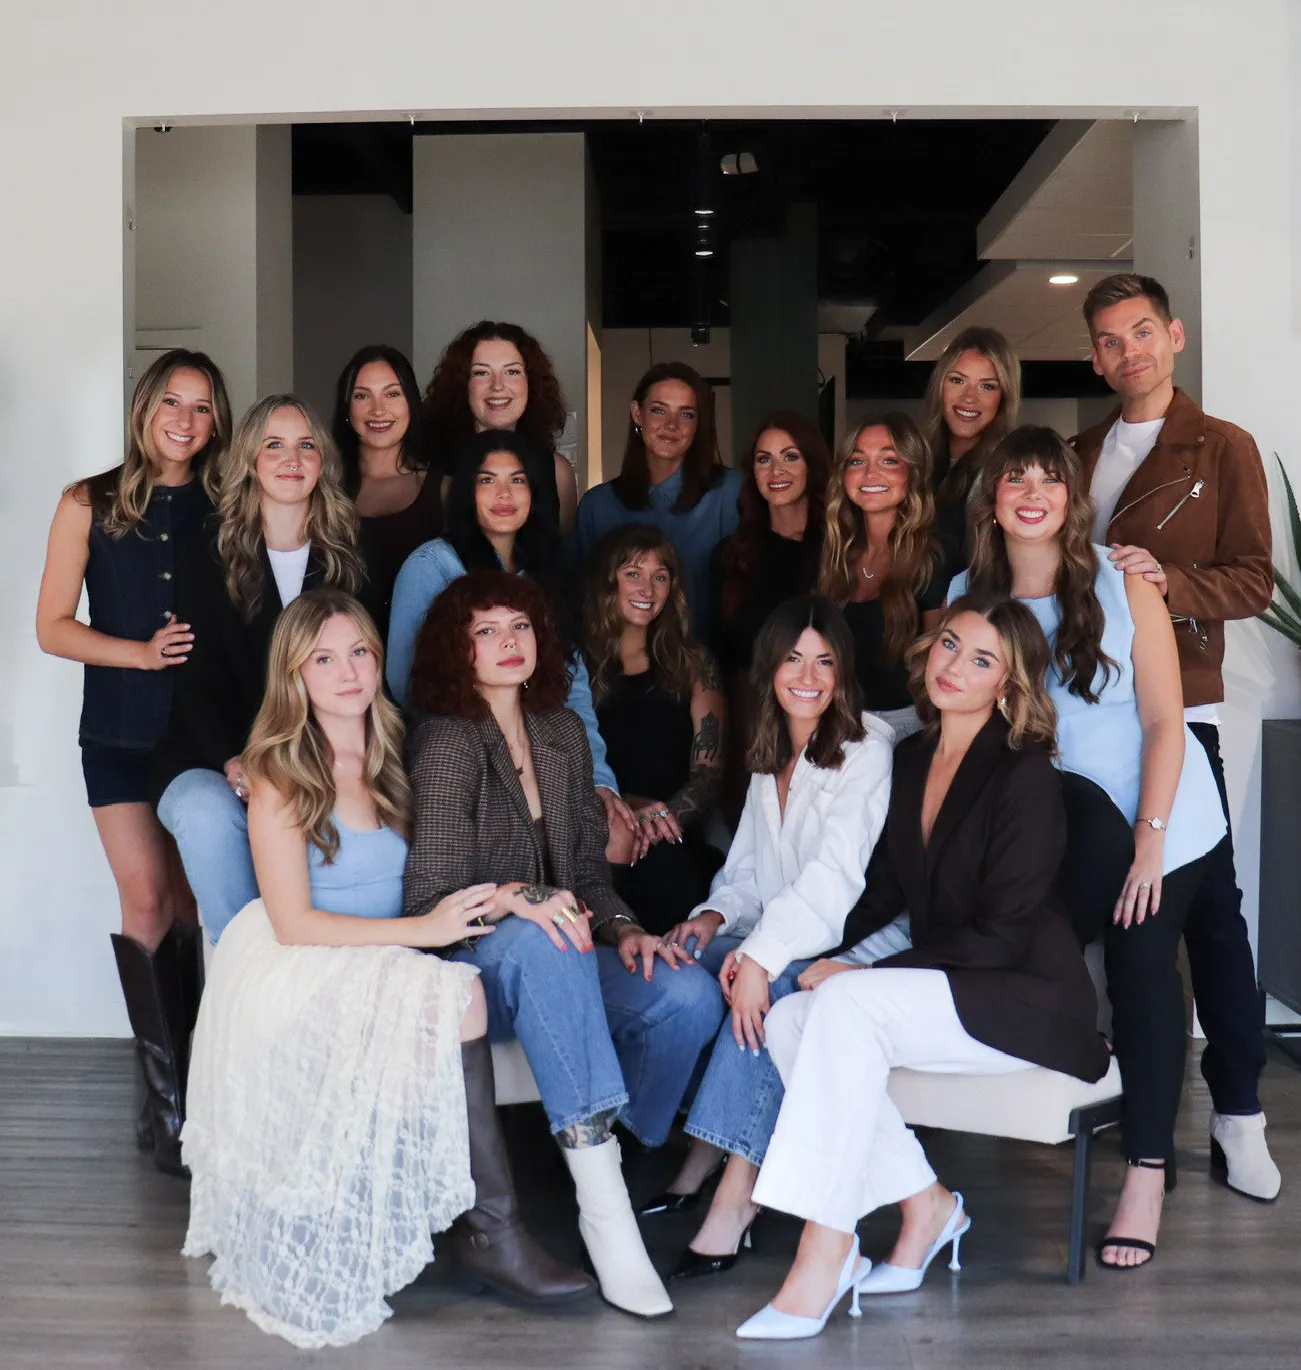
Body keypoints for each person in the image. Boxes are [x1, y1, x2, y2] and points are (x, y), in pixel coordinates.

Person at [182, 589, 591, 1349]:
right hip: (302, 958)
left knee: (443, 1002)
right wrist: (426, 929)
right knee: (455, 1002)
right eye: (324, 659)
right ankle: (483, 1230)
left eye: (359, 652)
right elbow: (294, 923)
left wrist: (513, 894)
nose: (347, 672)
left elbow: (455, 858)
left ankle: (442, 1222)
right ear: (295, 675)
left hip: (393, 950)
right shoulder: (279, 769)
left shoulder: (402, 748)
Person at [734, 592, 1109, 1341]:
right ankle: (926, 1206)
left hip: (1022, 998)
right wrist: (826, 956)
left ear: (1007, 684)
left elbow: (1003, 934)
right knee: (791, 1018)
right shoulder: (908, 757)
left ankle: (825, 1247)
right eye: (947, 645)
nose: (953, 667)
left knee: (842, 1007)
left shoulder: (1024, 776)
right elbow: (879, 894)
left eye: (980, 660)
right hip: (950, 984)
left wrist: (865, 978)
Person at [400, 571, 725, 1318]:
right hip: (481, 972)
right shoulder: (447, 742)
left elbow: (585, 878)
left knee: (686, 995)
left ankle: (599, 1150)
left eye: (519, 626)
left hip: (568, 959)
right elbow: (430, 901)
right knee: (546, 943)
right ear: (459, 649)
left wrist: (629, 931)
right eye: (485, 631)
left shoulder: (561, 731)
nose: (507, 642)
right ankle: (604, 1208)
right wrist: (517, 897)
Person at [953, 426, 1229, 1268]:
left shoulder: (1122, 581)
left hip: (1155, 811)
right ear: (991, 500)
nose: (1031, 493)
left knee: (1143, 962)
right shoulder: (968, 592)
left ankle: (1145, 1169)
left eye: (1049, 479)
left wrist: (1148, 845)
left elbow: (1161, 721)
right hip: (1056, 827)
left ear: (1070, 500)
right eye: (1014, 479)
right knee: (1027, 953)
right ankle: (1073, 1091)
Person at [1071, 271, 1280, 1204]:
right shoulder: (1077, 453)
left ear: (1175, 336)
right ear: (1093, 356)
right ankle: (1122, 1095)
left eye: (1142, 332)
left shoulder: (1220, 447)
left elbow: (1254, 583)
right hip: (1084, 726)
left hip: (1180, 714)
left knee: (1210, 920)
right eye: (1110, 340)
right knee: (1123, 922)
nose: (1129, 352)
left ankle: (1237, 1111)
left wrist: (1166, 581)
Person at [639, 597, 893, 1281]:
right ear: (769, 670)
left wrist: (756, 958)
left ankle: (735, 1193)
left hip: (845, 939)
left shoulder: (865, 751)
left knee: (773, 993)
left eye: (824, 662)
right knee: (681, 961)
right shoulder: (768, 748)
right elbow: (746, 872)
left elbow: (830, 885)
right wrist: (712, 922)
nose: (807, 676)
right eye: (792, 659)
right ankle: (686, 1140)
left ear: (842, 674)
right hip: (776, 928)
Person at [35, 348, 231, 1175]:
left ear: (216, 420)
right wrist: (138, 655)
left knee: (196, 904)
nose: (184, 422)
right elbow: (51, 627)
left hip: (204, 736)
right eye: (171, 404)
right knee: (146, 902)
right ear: (146, 408)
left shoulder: (232, 501)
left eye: (201, 408)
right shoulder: (88, 501)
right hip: (116, 731)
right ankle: (167, 1099)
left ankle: (209, 1082)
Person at [152, 394, 366, 944]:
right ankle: (243, 976)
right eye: (274, 445)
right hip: (218, 754)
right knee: (204, 813)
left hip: (320, 754)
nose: (291, 459)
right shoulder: (207, 553)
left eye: (306, 445)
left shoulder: (351, 554)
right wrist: (233, 757)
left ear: (324, 462)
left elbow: (364, 675)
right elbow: (192, 681)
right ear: (249, 459)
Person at [386, 429, 634, 845]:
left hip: (544, 756)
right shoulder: (432, 565)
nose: (504, 493)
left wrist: (599, 780)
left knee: (612, 843)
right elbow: (408, 685)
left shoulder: (549, 569)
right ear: (467, 492)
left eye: (517, 480)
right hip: (461, 763)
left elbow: (570, 686)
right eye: (487, 480)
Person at [583, 524, 727, 931]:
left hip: (671, 834)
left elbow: (708, 772)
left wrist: (661, 820)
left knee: (674, 888)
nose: (647, 588)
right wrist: (625, 805)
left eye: (659, 577)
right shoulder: (577, 665)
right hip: (598, 830)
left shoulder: (696, 663)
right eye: (633, 573)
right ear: (606, 580)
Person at [709, 412, 831, 817]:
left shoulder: (837, 552)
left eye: (790, 457)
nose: (776, 470)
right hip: (747, 734)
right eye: (764, 459)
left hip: (823, 733)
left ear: (812, 465)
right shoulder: (731, 556)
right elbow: (715, 655)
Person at [571, 361, 742, 642]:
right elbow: (578, 603)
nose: (671, 425)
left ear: (699, 424)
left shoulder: (729, 493)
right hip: (616, 671)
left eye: (686, 414)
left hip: (709, 669)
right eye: (659, 410)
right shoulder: (597, 506)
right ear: (637, 414)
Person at [818, 413, 949, 739]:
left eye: (889, 460)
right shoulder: (835, 552)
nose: (870, 473)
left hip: (907, 728)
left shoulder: (934, 557)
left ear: (912, 473)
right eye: (857, 461)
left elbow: (941, 668)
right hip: (837, 724)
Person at [421, 319, 579, 532]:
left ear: (531, 383)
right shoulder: (431, 472)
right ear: (463, 385)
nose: (497, 386)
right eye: (481, 373)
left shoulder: (558, 473)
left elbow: (562, 558)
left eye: (512, 372)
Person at [330, 344, 440, 639]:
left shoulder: (444, 490)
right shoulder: (323, 490)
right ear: (346, 408)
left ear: (411, 404)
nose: (378, 410)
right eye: (362, 395)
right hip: (340, 664)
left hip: (425, 666)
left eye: (392, 393)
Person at [919, 326, 1022, 556]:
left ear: (1003, 397)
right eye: (957, 380)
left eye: (987, 386)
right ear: (940, 386)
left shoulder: (1010, 471)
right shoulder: (916, 460)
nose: (969, 398)